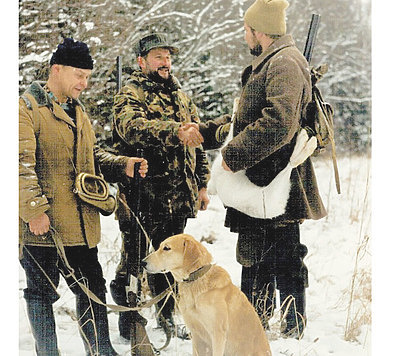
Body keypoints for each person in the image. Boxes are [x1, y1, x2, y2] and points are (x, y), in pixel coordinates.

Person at [19, 38, 148, 356]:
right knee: (41, 294)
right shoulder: (26, 110)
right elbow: (18, 164)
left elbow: (92, 156)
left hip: (81, 225)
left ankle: (102, 351)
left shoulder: (79, 112)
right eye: (79, 75)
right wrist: (34, 210)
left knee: (92, 289)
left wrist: (123, 165)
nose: (84, 83)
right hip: (42, 228)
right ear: (56, 69)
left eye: (88, 77)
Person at [219, 0, 327, 338]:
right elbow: (246, 118)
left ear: (258, 31)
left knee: (283, 258)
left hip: (277, 180)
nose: (244, 35)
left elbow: (278, 123)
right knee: (260, 256)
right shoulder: (274, 61)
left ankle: (290, 331)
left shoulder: (283, 63)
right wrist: (210, 132)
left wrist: (233, 155)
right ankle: (258, 324)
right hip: (264, 180)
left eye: (246, 29)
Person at [108, 33, 211, 340]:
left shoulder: (180, 95)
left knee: (168, 264)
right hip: (142, 196)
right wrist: (174, 131)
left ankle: (166, 318)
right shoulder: (129, 94)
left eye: (168, 57)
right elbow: (133, 129)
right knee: (134, 263)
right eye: (158, 57)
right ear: (142, 62)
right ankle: (129, 322)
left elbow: (197, 143)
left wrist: (202, 184)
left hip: (177, 198)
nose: (165, 63)